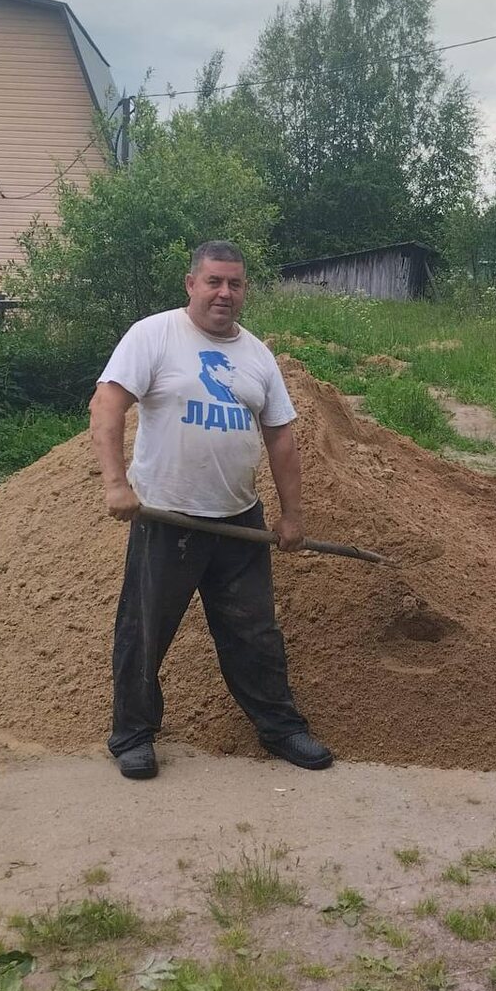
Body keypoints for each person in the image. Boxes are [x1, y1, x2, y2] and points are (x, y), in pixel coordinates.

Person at [90, 240, 333, 780]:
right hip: (166, 518)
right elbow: (106, 404)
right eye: (214, 281)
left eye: (235, 284)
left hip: (238, 521)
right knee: (144, 632)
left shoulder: (257, 355)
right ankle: (133, 735)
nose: (225, 293)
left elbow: (281, 438)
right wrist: (116, 483)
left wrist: (292, 516)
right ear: (191, 284)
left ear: (245, 290)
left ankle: (280, 728)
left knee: (255, 633)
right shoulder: (154, 335)